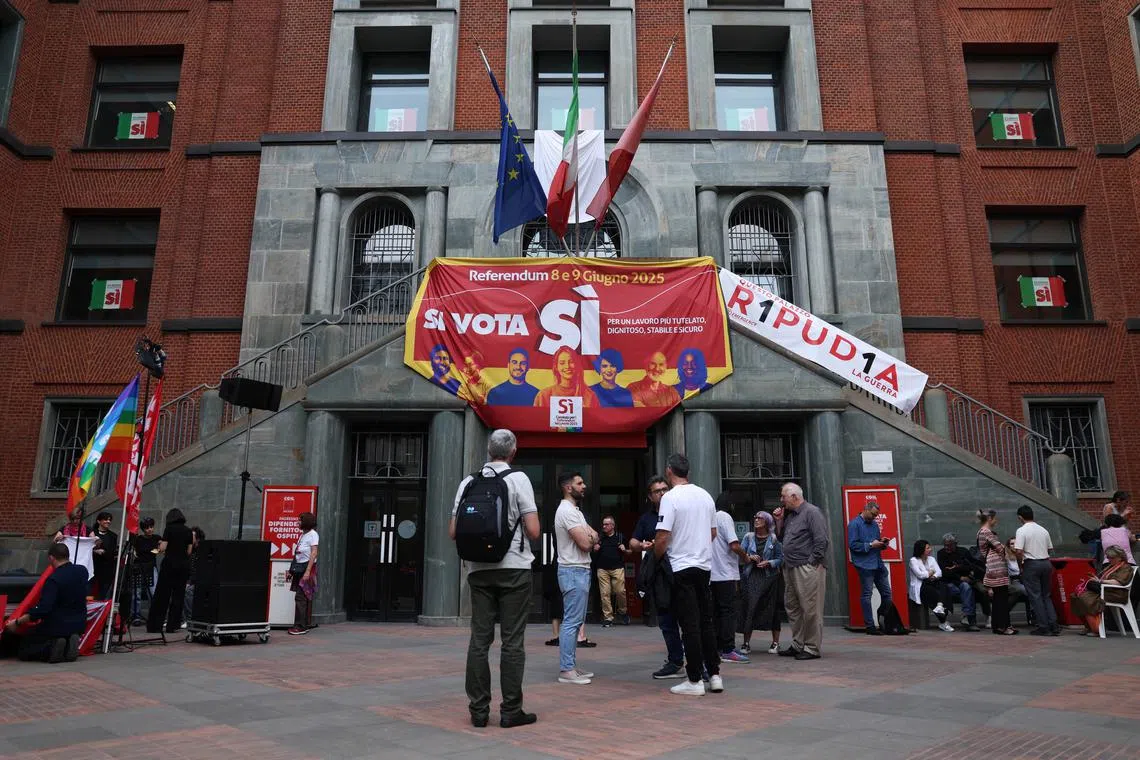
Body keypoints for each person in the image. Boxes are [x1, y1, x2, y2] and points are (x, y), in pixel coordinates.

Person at [449, 429, 540, 729]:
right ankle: (511, 710)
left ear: (489, 451)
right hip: (514, 568)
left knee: (479, 640)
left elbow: (453, 532)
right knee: (512, 641)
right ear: (513, 452)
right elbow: (534, 530)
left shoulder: (469, 482)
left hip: (478, 570)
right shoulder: (518, 479)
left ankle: (478, 711)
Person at [654, 453, 721, 696]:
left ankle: (694, 680)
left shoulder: (670, 498)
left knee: (689, 624)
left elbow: (662, 536)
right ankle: (714, 674)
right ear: (688, 473)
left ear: (669, 471)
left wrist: (658, 556)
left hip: (681, 566)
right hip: (704, 566)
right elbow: (713, 532)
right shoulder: (705, 496)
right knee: (706, 622)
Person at [630, 475, 686, 679]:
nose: (662, 493)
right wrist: (642, 545)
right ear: (650, 496)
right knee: (666, 620)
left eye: (665, 489)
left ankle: (700, 663)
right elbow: (632, 543)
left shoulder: (680, 511)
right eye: (657, 491)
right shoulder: (646, 519)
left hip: (682, 570)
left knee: (690, 619)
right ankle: (675, 660)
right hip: (660, 574)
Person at [5, 543, 88, 663]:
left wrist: (18, 622)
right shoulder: (82, 571)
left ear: (51, 558)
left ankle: (51, 648)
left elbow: (44, 608)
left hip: (57, 625)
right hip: (79, 623)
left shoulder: (53, 579)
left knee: (25, 647)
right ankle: (67, 644)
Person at [553, 471, 597, 685]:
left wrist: (590, 536)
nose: (584, 486)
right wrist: (590, 537)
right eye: (579, 483)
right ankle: (567, 670)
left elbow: (595, 535)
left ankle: (570, 666)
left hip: (578, 570)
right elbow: (587, 543)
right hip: (573, 571)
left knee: (575, 620)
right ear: (568, 487)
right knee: (571, 622)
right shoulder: (567, 511)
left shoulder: (575, 511)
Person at [777, 483, 829, 660]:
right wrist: (779, 521)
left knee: (811, 608)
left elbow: (821, 539)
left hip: (806, 567)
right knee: (793, 607)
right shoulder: (790, 516)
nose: (781, 500)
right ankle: (798, 644)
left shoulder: (812, 512)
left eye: (783, 496)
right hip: (790, 566)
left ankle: (812, 647)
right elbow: (781, 538)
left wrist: (812, 561)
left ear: (794, 497)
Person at [710, 493, 749, 662]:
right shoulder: (725, 517)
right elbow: (733, 544)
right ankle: (728, 649)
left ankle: (718, 647)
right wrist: (745, 556)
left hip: (712, 573)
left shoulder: (710, 517)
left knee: (716, 612)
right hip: (725, 572)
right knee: (728, 612)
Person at [738, 510, 783, 655]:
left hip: (769, 578)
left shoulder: (774, 539)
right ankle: (746, 643)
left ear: (767, 522)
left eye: (760, 518)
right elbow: (741, 555)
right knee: (749, 608)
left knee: (772, 609)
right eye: (755, 517)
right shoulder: (748, 537)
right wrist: (749, 557)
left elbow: (780, 559)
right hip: (751, 577)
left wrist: (768, 562)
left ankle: (775, 642)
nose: (756, 520)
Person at [846, 499, 892, 635]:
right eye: (872, 514)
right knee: (867, 594)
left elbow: (876, 541)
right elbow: (853, 545)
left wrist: (883, 543)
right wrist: (871, 545)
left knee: (887, 595)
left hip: (877, 562)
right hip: (864, 564)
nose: (874, 517)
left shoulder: (874, 524)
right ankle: (870, 626)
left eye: (876, 515)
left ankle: (881, 615)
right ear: (865, 509)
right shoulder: (854, 524)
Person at [1013, 505, 1060, 636]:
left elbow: (1018, 551)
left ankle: (1043, 625)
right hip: (1046, 562)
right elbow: (1050, 549)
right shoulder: (1043, 530)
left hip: (1031, 564)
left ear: (1020, 517)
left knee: (1035, 596)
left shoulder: (1021, 531)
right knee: (1046, 595)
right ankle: (1054, 624)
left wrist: (1020, 565)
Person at [147, 508, 193, 634]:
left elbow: (163, 548)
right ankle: (172, 625)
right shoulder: (188, 531)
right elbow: (189, 551)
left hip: (170, 564)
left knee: (162, 594)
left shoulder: (169, 529)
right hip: (183, 566)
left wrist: (161, 544)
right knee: (178, 595)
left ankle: (155, 625)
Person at [1071, 546, 1135, 635]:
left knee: (1086, 598)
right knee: (1075, 596)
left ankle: (1097, 629)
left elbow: (1119, 582)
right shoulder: (1111, 566)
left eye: (1112, 558)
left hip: (1116, 593)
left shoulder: (1126, 567)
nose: (1109, 560)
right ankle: (1089, 626)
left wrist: (1100, 581)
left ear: (1120, 557)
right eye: (1108, 557)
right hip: (1105, 591)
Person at [977, 509, 1017, 636]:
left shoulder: (982, 532)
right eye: (994, 518)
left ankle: (999, 625)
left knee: (999, 597)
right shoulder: (986, 532)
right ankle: (1003, 626)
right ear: (989, 519)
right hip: (996, 567)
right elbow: (1000, 548)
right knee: (1001, 597)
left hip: (993, 566)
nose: (996, 521)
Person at [936, 534, 984, 631]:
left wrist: (956, 567)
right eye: (945, 545)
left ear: (955, 544)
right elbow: (945, 572)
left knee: (967, 588)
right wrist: (960, 576)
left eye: (949, 545)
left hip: (963, 581)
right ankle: (970, 620)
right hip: (949, 583)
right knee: (967, 592)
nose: (947, 547)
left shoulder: (963, 552)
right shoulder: (941, 553)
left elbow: (970, 566)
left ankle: (967, 617)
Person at [543, 559, 594, 648]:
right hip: (574, 565)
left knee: (557, 600)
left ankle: (556, 636)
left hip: (559, 565)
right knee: (577, 602)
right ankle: (579, 636)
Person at [592, 515, 630, 627]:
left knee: (620, 591)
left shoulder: (620, 537)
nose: (604, 526)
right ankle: (608, 617)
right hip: (602, 569)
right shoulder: (600, 537)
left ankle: (623, 612)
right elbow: (592, 550)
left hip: (617, 568)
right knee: (605, 593)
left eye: (606, 524)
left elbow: (630, 552)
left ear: (612, 526)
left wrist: (625, 549)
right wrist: (594, 548)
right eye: (603, 524)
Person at [908, 540, 954, 632]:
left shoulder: (931, 559)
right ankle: (943, 622)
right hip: (921, 586)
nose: (930, 549)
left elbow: (939, 572)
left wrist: (933, 576)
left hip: (932, 582)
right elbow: (920, 575)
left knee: (944, 586)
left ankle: (940, 606)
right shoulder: (913, 561)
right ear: (921, 550)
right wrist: (930, 572)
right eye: (927, 548)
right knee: (935, 595)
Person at [533, 347, 599, 408]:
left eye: (571, 362)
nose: (567, 366)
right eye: (562, 363)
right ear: (556, 367)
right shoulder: (543, 396)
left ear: (577, 365)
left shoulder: (590, 396)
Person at [288, 513, 319, 635]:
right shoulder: (303, 535)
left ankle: (301, 626)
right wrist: (292, 571)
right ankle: (302, 623)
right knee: (302, 596)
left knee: (301, 597)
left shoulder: (313, 534)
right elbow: (298, 553)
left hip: (306, 568)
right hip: (299, 568)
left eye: (299, 520)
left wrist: (307, 571)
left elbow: (314, 553)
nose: (297, 523)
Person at [129, 517, 160, 625]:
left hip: (151, 567)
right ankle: (136, 616)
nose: (150, 529)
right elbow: (136, 552)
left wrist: (151, 551)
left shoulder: (157, 538)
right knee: (136, 592)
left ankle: (154, 616)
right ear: (143, 529)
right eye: (147, 528)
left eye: (151, 527)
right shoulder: (138, 539)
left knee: (153, 591)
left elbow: (160, 550)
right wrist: (151, 551)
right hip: (139, 567)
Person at [90, 511, 118, 601]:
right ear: (99, 521)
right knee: (89, 591)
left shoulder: (113, 536)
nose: (108, 521)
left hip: (107, 568)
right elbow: (86, 548)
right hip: (93, 566)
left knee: (104, 593)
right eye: (105, 519)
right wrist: (95, 551)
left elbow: (112, 552)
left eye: (109, 520)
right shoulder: (92, 533)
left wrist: (104, 552)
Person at [182, 526, 205, 626]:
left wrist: (189, 582)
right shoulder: (191, 550)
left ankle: (190, 619)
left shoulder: (202, 551)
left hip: (198, 581)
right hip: (190, 579)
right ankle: (180, 619)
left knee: (188, 591)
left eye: (193, 536)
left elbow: (198, 570)